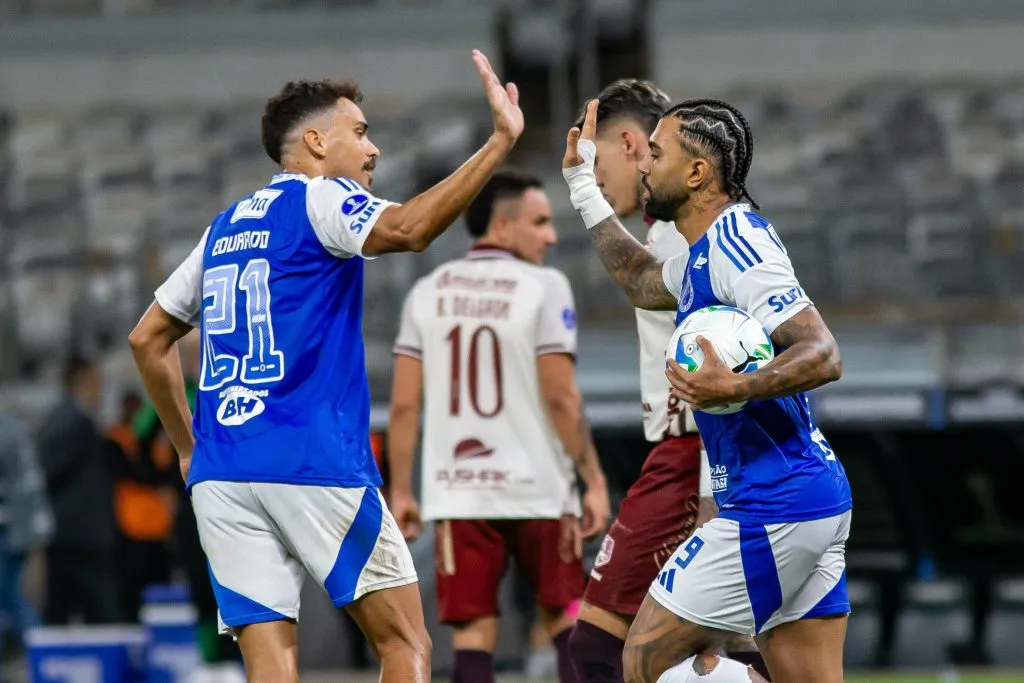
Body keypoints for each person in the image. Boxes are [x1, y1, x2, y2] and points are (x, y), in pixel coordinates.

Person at [128, 49, 523, 683]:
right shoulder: (322, 199)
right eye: (360, 132)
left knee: (270, 662)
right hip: (311, 456)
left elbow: (147, 338)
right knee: (404, 641)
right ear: (316, 142)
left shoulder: (223, 228)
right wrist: (499, 142)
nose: (373, 150)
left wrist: (186, 447)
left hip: (222, 471)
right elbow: (410, 230)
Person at [562, 99, 850, 683]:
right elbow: (640, 281)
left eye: (657, 153)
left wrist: (736, 384)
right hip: (803, 495)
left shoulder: (739, 244)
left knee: (644, 661)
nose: (644, 164)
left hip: (773, 502)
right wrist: (582, 186)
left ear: (697, 173)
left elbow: (822, 351)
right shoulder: (704, 253)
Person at [387, 170, 610, 683]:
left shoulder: (427, 292)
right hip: (540, 487)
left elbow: (403, 407)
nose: (550, 235)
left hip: (460, 490)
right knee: (566, 614)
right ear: (503, 226)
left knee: (472, 632)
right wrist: (593, 479)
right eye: (540, 222)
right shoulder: (545, 286)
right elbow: (561, 396)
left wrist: (401, 489)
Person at [37, 354, 121, 626]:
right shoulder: (74, 422)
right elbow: (48, 468)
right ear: (81, 380)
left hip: (72, 535)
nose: (100, 389)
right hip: (80, 536)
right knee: (101, 610)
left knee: (61, 611)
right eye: (96, 381)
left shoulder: (66, 418)